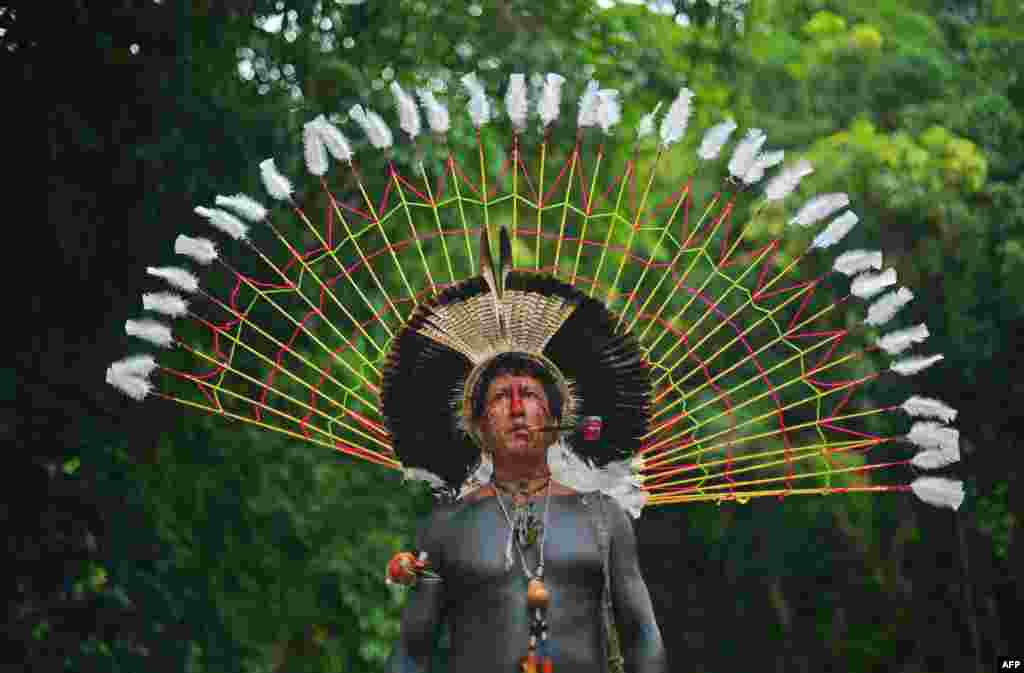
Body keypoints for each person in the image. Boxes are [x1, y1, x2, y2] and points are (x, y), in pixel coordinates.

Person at [384, 353, 667, 673]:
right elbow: (411, 652)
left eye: (530, 395)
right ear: (479, 426)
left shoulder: (603, 516)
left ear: (555, 420)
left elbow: (642, 636)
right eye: (501, 396)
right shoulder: (447, 525)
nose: (517, 410)